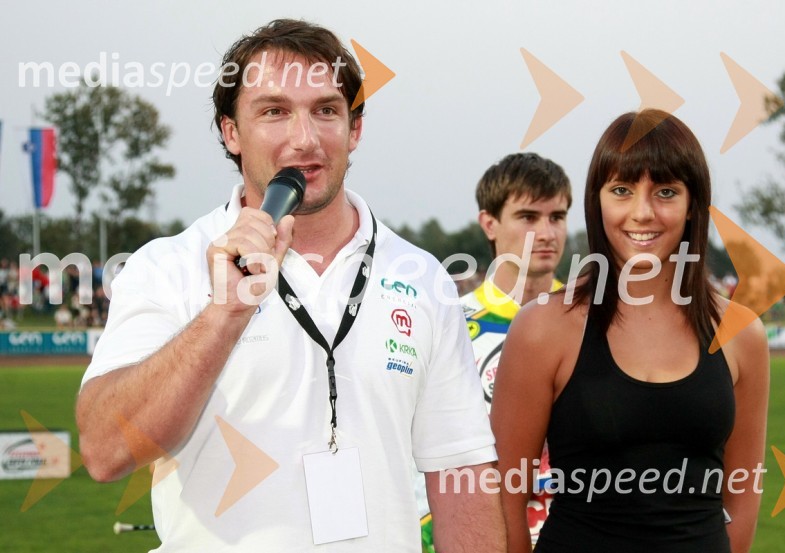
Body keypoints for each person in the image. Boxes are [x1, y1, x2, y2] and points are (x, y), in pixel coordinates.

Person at [76, 19, 505, 552]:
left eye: (326, 110)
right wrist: (223, 313)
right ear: (230, 131)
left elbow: (460, 475)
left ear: (355, 128)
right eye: (274, 111)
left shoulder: (422, 278)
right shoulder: (166, 266)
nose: (305, 138)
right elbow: (104, 451)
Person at [491, 110, 769, 553]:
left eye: (665, 192)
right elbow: (505, 497)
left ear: (693, 204)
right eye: (622, 190)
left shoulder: (741, 333)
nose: (643, 213)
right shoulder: (543, 329)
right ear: (596, 201)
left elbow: (743, 494)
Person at [418, 152, 572, 550]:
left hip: (577, 531)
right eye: (528, 217)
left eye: (557, 217)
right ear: (489, 223)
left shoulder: (595, 322)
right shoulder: (449, 323)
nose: (547, 232)